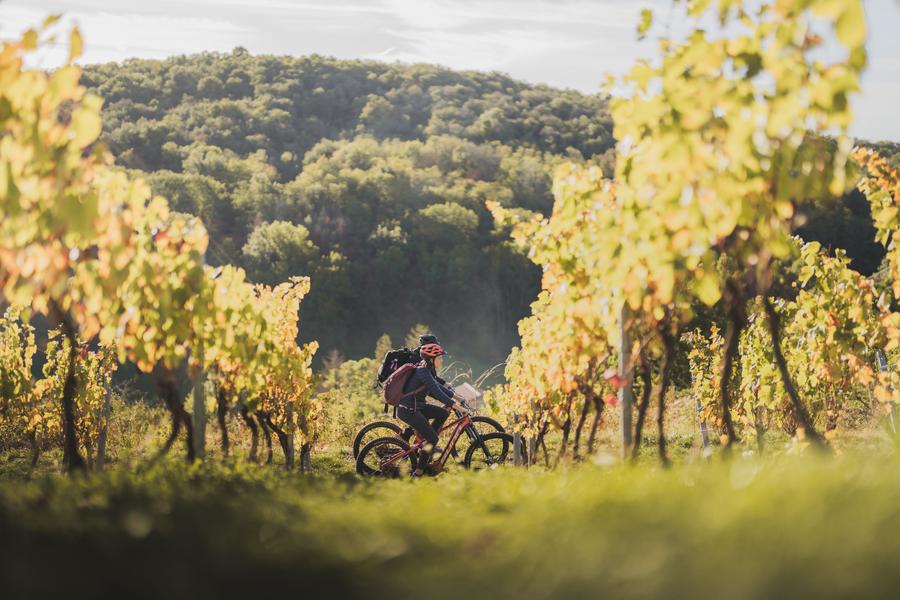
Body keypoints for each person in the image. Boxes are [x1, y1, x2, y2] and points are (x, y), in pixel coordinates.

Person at [397, 341, 470, 477]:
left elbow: (438, 387)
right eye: (439, 358)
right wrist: (455, 405)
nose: (441, 360)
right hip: (409, 410)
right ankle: (419, 472)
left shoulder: (426, 371)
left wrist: (457, 397)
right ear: (431, 359)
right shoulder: (422, 371)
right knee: (433, 439)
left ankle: (425, 444)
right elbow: (437, 392)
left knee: (442, 413)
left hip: (417, 406)